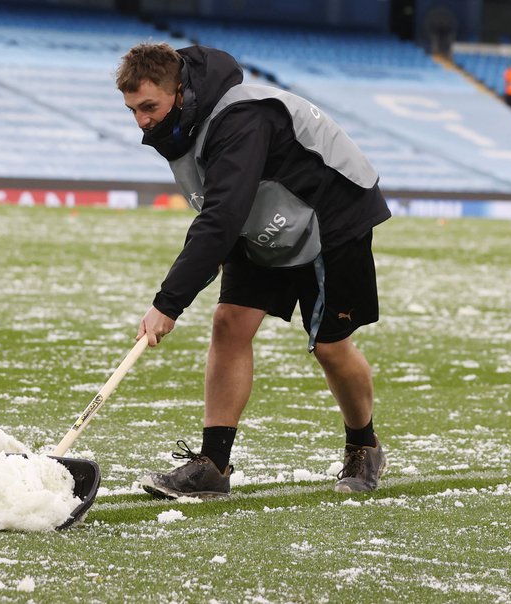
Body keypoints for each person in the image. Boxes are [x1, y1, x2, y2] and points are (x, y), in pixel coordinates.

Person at [115, 43, 391, 499]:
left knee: (329, 347)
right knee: (229, 324)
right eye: (133, 110)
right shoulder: (181, 122)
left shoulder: (241, 119)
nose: (141, 120)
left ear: (180, 91)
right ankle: (214, 465)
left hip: (330, 216)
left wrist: (168, 304)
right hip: (262, 218)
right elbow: (221, 210)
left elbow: (220, 218)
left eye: (149, 106)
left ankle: (364, 445)